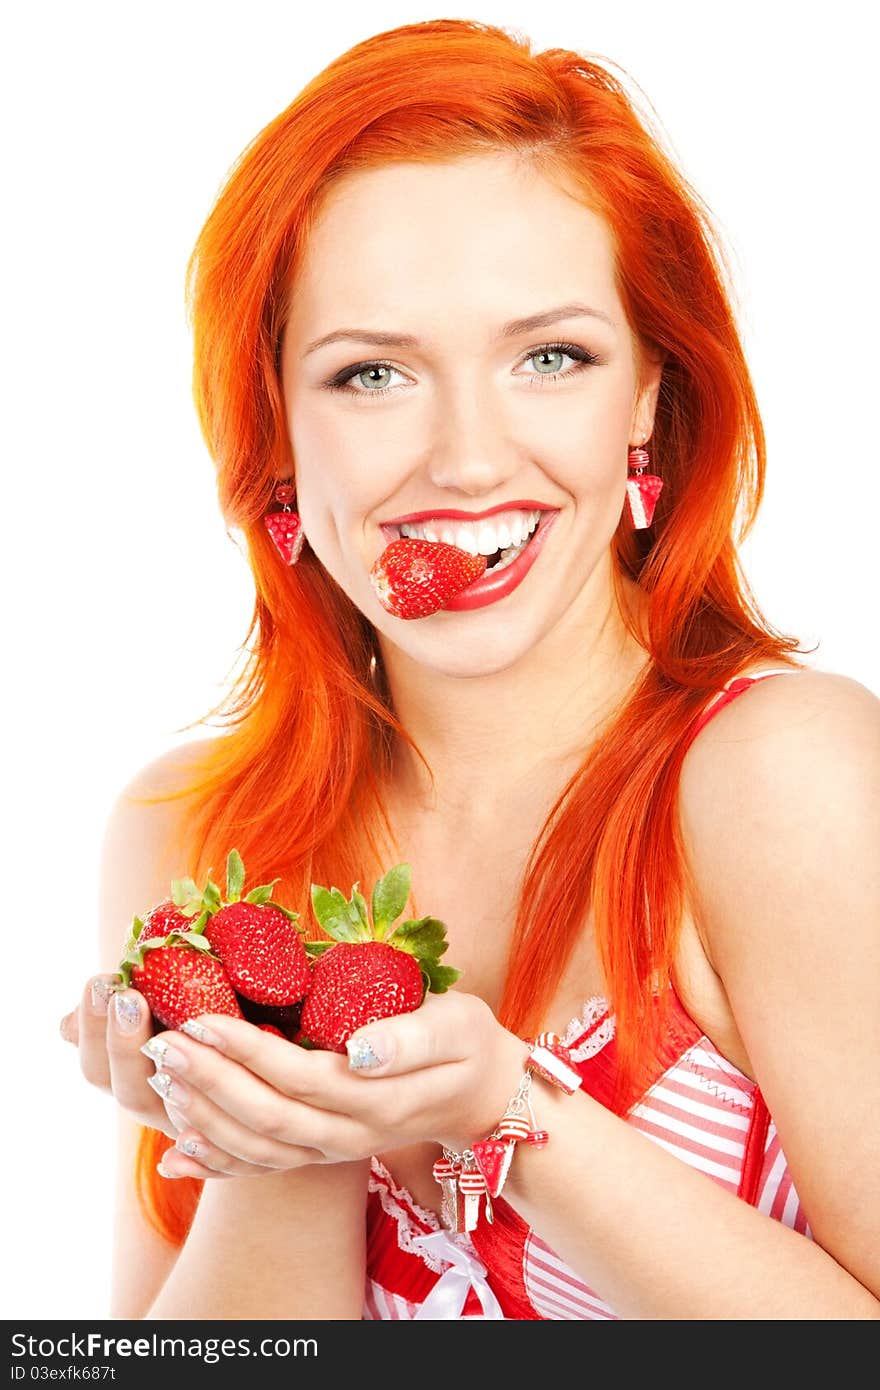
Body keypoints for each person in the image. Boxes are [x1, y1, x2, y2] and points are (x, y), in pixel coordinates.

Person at [60, 17, 879, 1320]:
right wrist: (287, 1119)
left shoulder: (785, 778)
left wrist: (504, 1107)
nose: (467, 460)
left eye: (550, 356)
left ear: (650, 398)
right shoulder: (189, 834)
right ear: (278, 434)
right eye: (372, 372)